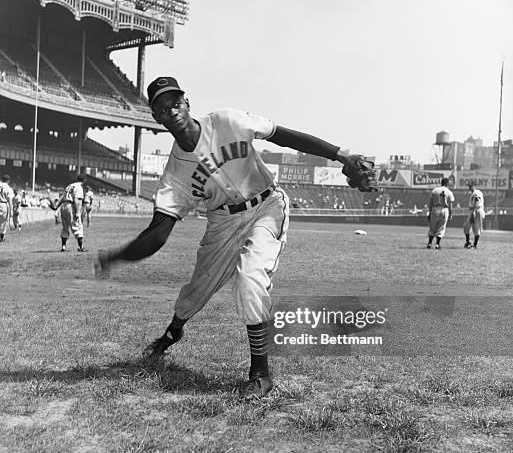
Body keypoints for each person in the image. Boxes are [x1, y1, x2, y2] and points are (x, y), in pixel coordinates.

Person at [94, 76, 377, 400]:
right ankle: (171, 335)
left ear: (187, 103)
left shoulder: (226, 121)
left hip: (266, 205)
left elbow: (282, 136)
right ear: (156, 117)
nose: (170, 109)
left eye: (175, 101)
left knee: (249, 278)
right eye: (162, 106)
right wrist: (115, 256)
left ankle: (260, 374)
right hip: (222, 223)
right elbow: (157, 234)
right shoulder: (175, 175)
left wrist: (342, 156)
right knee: (197, 288)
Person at [53, 173, 87, 252]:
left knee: (65, 227)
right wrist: (78, 212)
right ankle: (81, 247)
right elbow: (77, 200)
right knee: (77, 225)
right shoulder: (79, 187)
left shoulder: (70, 185)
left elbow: (62, 197)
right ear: (84, 180)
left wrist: (57, 206)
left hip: (64, 206)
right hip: (70, 206)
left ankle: (63, 246)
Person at [426, 177, 454, 249]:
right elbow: (450, 205)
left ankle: (429, 243)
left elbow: (430, 204)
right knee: (441, 228)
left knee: (432, 227)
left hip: (435, 209)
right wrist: (451, 214)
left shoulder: (435, 190)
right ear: (447, 183)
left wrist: (429, 213)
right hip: (444, 210)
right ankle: (437, 244)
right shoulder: (449, 192)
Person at [463, 183, 485, 248]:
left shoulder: (476, 192)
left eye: (470, 186)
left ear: (474, 186)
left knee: (475, 229)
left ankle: (474, 245)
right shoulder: (476, 192)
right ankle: (468, 243)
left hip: (476, 210)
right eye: (469, 186)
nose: (469, 188)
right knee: (466, 227)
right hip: (477, 210)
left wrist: (473, 212)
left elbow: (476, 200)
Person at [0, 174, 14, 242]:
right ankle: (1, 237)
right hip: (3, 204)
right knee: (3, 221)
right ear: (8, 180)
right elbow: (10, 201)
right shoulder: (8, 188)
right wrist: (11, 211)